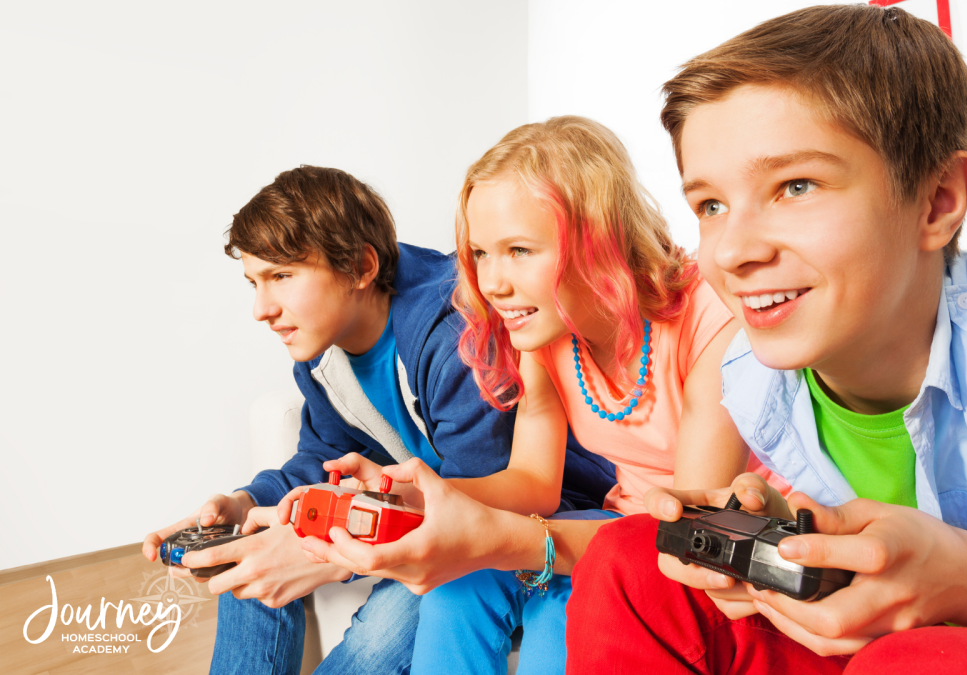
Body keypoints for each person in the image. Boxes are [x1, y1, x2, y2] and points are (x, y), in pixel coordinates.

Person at [563, 5, 967, 675]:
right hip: (898, 645)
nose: (735, 250)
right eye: (712, 205)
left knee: (915, 660)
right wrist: (792, 537)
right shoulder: (755, 373)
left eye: (795, 186)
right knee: (632, 561)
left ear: (938, 200)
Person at [287, 116, 787, 675]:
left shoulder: (710, 320)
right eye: (481, 253)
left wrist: (506, 540)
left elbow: (692, 527)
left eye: (519, 250)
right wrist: (420, 497)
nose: (493, 282)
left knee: (559, 615)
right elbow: (534, 484)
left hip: (707, 543)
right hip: (619, 526)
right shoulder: (549, 332)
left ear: (598, 238)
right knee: (458, 588)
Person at [140, 165, 616, 675]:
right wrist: (247, 503)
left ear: (362, 267)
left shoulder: (456, 332)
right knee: (248, 553)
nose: (262, 308)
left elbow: (477, 502)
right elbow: (322, 457)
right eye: (254, 282)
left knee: (379, 635)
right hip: (416, 502)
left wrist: (323, 549)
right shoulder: (323, 351)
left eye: (282, 277)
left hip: (507, 514)